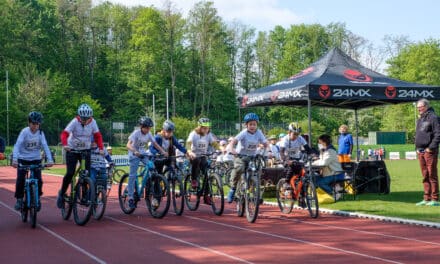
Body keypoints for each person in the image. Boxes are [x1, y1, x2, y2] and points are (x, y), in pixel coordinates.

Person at [57, 104, 104, 208]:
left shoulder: (93, 122)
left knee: (86, 174)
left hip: (85, 150)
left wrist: (101, 148)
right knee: (70, 173)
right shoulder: (74, 122)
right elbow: (64, 134)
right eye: (83, 118)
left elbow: (97, 136)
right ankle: (62, 193)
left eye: (87, 118)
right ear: (79, 116)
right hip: (72, 149)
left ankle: (83, 195)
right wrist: (65, 145)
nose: (85, 120)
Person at [12, 111, 54, 211]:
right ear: (29, 123)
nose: (35, 126)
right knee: (20, 179)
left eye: (37, 124)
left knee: (39, 180)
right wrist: (15, 160)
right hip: (23, 159)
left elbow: (45, 146)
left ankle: (37, 198)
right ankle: (19, 199)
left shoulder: (40, 133)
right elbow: (17, 145)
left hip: (36, 159)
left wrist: (50, 160)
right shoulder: (24, 132)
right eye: (33, 123)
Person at [126, 116, 168, 209]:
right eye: (146, 128)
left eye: (149, 128)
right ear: (141, 126)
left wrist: (163, 152)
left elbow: (155, 144)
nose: (148, 129)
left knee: (151, 166)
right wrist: (135, 151)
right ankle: (130, 197)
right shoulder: (136, 133)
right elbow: (128, 145)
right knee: (133, 175)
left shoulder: (149, 134)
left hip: (143, 154)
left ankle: (149, 187)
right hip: (134, 155)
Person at [226, 113, 268, 203]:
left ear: (257, 125)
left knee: (257, 171)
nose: (252, 126)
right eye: (250, 124)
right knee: (239, 168)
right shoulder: (244, 133)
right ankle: (233, 189)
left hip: (252, 157)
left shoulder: (259, 132)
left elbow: (265, 143)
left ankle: (255, 193)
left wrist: (267, 150)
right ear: (246, 125)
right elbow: (233, 141)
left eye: (254, 124)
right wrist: (232, 149)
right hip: (241, 156)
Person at [415, 99, 440, 206]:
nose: (418, 109)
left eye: (420, 107)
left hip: (430, 151)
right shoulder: (420, 119)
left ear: (426, 106)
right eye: (417, 107)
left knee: (432, 174)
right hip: (420, 151)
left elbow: (438, 134)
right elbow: (418, 135)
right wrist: (416, 147)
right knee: (425, 175)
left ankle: (435, 199)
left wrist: (431, 148)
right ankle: (426, 198)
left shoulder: (433, 117)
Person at [186, 118, 218, 190]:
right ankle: (194, 179)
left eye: (207, 128)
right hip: (193, 155)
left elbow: (214, 144)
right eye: (204, 128)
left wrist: (222, 148)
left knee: (206, 174)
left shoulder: (208, 134)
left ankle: (206, 195)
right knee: (196, 160)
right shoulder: (193, 133)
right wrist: (190, 151)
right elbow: (188, 143)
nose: (206, 130)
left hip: (203, 155)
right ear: (199, 127)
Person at [279, 123, 312, 187]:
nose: (296, 136)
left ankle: (301, 192)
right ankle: (287, 182)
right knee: (292, 166)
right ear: (289, 132)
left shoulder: (300, 138)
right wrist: (286, 160)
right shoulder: (285, 139)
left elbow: (307, 149)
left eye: (297, 134)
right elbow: (281, 152)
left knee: (302, 171)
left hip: (297, 158)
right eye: (294, 134)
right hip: (286, 158)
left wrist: (312, 155)